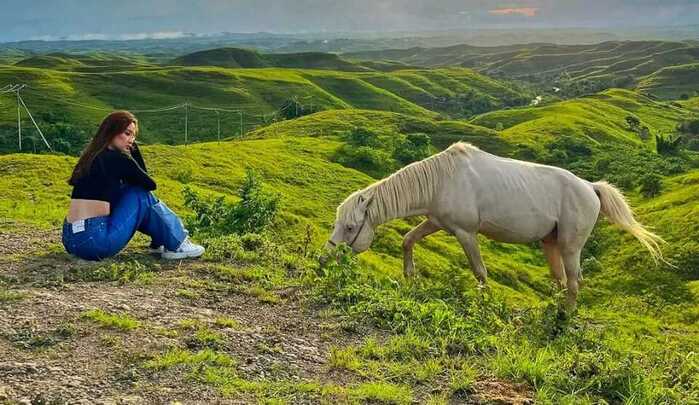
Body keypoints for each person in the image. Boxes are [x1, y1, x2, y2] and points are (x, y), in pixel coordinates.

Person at [62, 110, 205, 261]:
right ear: (112, 131)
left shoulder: (91, 157)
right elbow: (149, 185)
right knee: (141, 195)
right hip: (94, 241)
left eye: (134, 136)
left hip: (71, 238)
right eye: (127, 133)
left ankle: (161, 241)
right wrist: (135, 152)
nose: (131, 140)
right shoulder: (118, 159)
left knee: (128, 192)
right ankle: (178, 244)